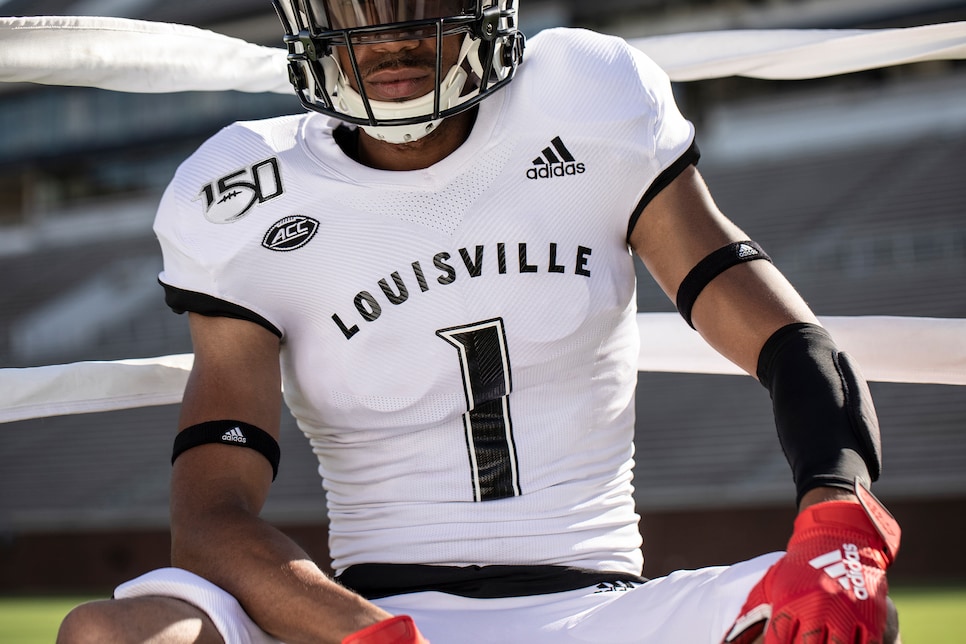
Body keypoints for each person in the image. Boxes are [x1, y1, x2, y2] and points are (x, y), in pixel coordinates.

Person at [57, 0, 901, 642]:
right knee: (111, 634)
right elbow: (209, 517)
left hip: (600, 607)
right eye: (357, 1)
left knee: (837, 616)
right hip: (372, 605)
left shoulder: (587, 97)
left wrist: (838, 517)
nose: (388, 32)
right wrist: (366, 633)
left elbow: (788, 341)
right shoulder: (244, 195)